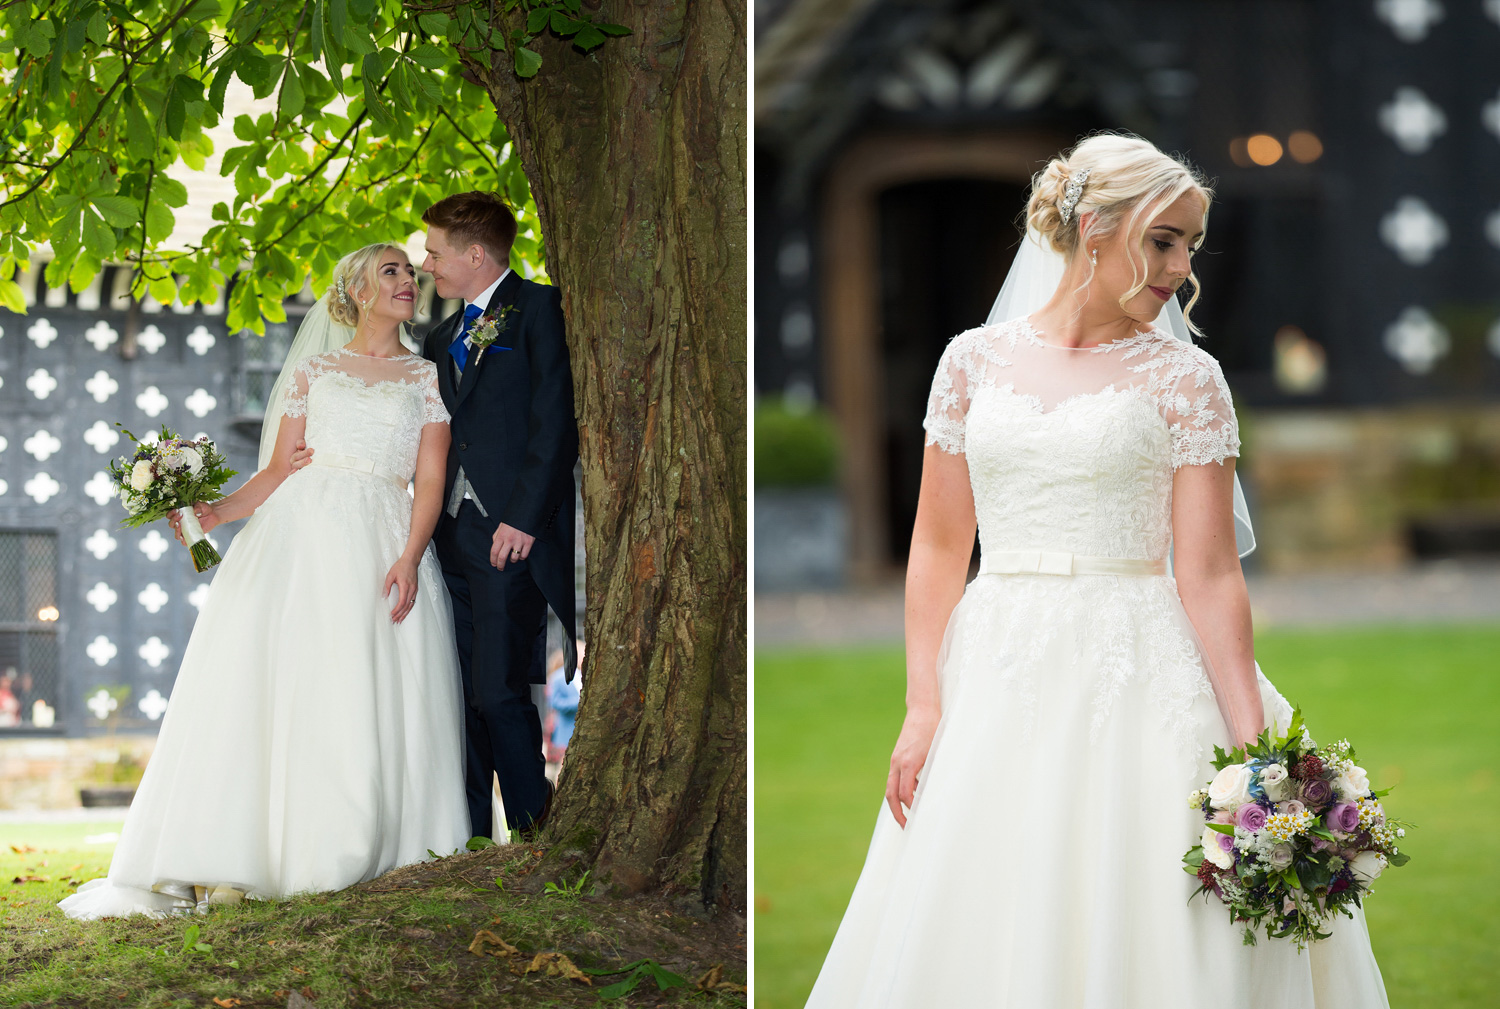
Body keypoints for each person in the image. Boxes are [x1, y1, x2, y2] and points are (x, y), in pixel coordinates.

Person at [804, 135, 1389, 1007]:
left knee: (1150, 909)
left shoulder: (1190, 381)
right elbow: (936, 545)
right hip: (997, 671)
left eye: (1190, 244)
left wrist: (1257, 756)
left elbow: (1210, 574)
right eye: (1164, 240)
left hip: (1143, 669)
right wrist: (924, 703)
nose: (1181, 266)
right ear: (1092, 226)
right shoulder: (971, 362)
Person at [59, 243, 469, 919]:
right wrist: (216, 511)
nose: (409, 279)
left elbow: (430, 476)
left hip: (384, 536)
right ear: (359, 291)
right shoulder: (314, 371)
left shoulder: (425, 376)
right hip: (302, 535)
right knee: (287, 684)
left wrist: (409, 552)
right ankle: (257, 848)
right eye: (391, 271)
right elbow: (279, 471)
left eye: (409, 270)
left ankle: (367, 840)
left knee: (366, 684)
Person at [415, 191, 579, 839]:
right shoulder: (440, 335)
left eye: (434, 251)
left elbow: (554, 422)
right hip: (448, 538)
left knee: (499, 689)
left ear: (475, 254)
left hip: (510, 535)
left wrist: (523, 517)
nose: (426, 263)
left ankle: (535, 832)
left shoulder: (540, 309)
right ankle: (472, 838)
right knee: (459, 696)